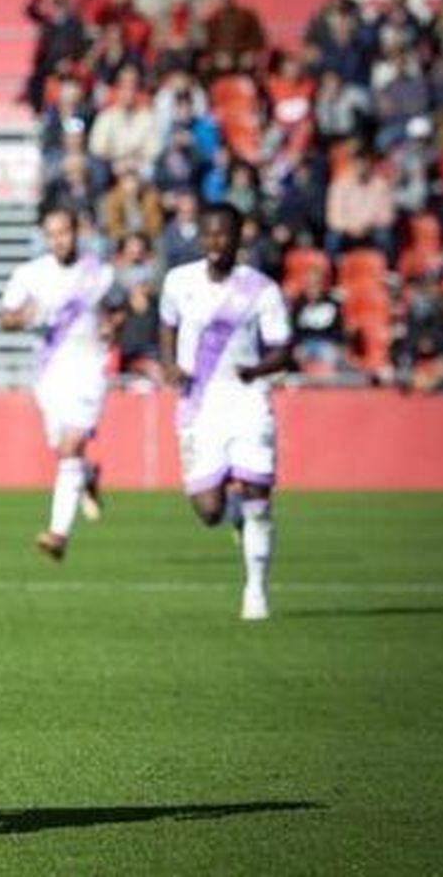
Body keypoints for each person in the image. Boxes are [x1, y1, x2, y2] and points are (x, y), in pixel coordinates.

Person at [158, 204, 293, 621]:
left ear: (238, 237)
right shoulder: (179, 281)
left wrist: (256, 370)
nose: (215, 242)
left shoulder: (261, 290)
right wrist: (169, 364)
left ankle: (256, 591)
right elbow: (167, 324)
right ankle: (233, 513)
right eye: (209, 234)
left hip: (247, 399)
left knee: (258, 497)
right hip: (199, 405)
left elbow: (282, 349)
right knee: (208, 511)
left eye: (223, 234)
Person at [0, 207, 122, 560]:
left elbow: (119, 309)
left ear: (77, 232)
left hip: (90, 367)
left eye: (64, 232)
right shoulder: (30, 275)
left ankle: (58, 534)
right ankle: (88, 475)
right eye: (52, 234)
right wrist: (21, 317)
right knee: (64, 448)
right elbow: (4, 317)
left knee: (70, 445)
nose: (59, 240)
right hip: (50, 371)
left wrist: (112, 326)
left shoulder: (98, 274)